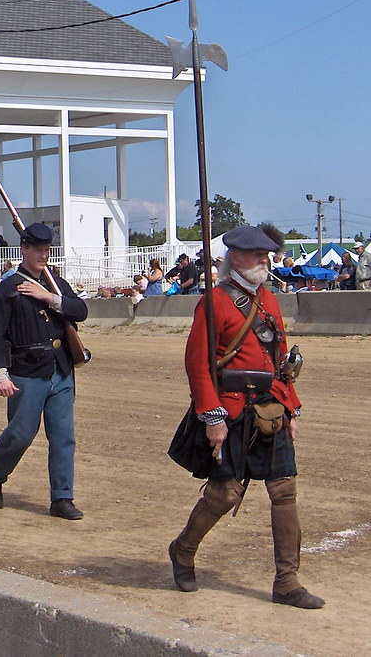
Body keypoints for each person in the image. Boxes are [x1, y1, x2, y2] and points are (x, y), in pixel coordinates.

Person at [168, 225, 323, 609]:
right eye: (258, 255)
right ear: (236, 257)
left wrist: (291, 406)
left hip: (270, 408)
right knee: (223, 494)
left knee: (284, 493)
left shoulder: (268, 299)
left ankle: (287, 582)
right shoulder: (213, 302)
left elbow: (280, 360)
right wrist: (212, 417)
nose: (264, 262)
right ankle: (184, 550)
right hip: (232, 410)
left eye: (267, 256)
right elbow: (198, 365)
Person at [0, 223, 89, 519]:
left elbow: (80, 311)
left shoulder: (55, 284)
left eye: (47, 250)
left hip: (60, 369)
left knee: (64, 436)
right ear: (24, 249)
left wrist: (49, 298)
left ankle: (62, 498)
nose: (44, 255)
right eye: (38, 250)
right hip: (27, 371)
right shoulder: (8, 287)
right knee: (21, 434)